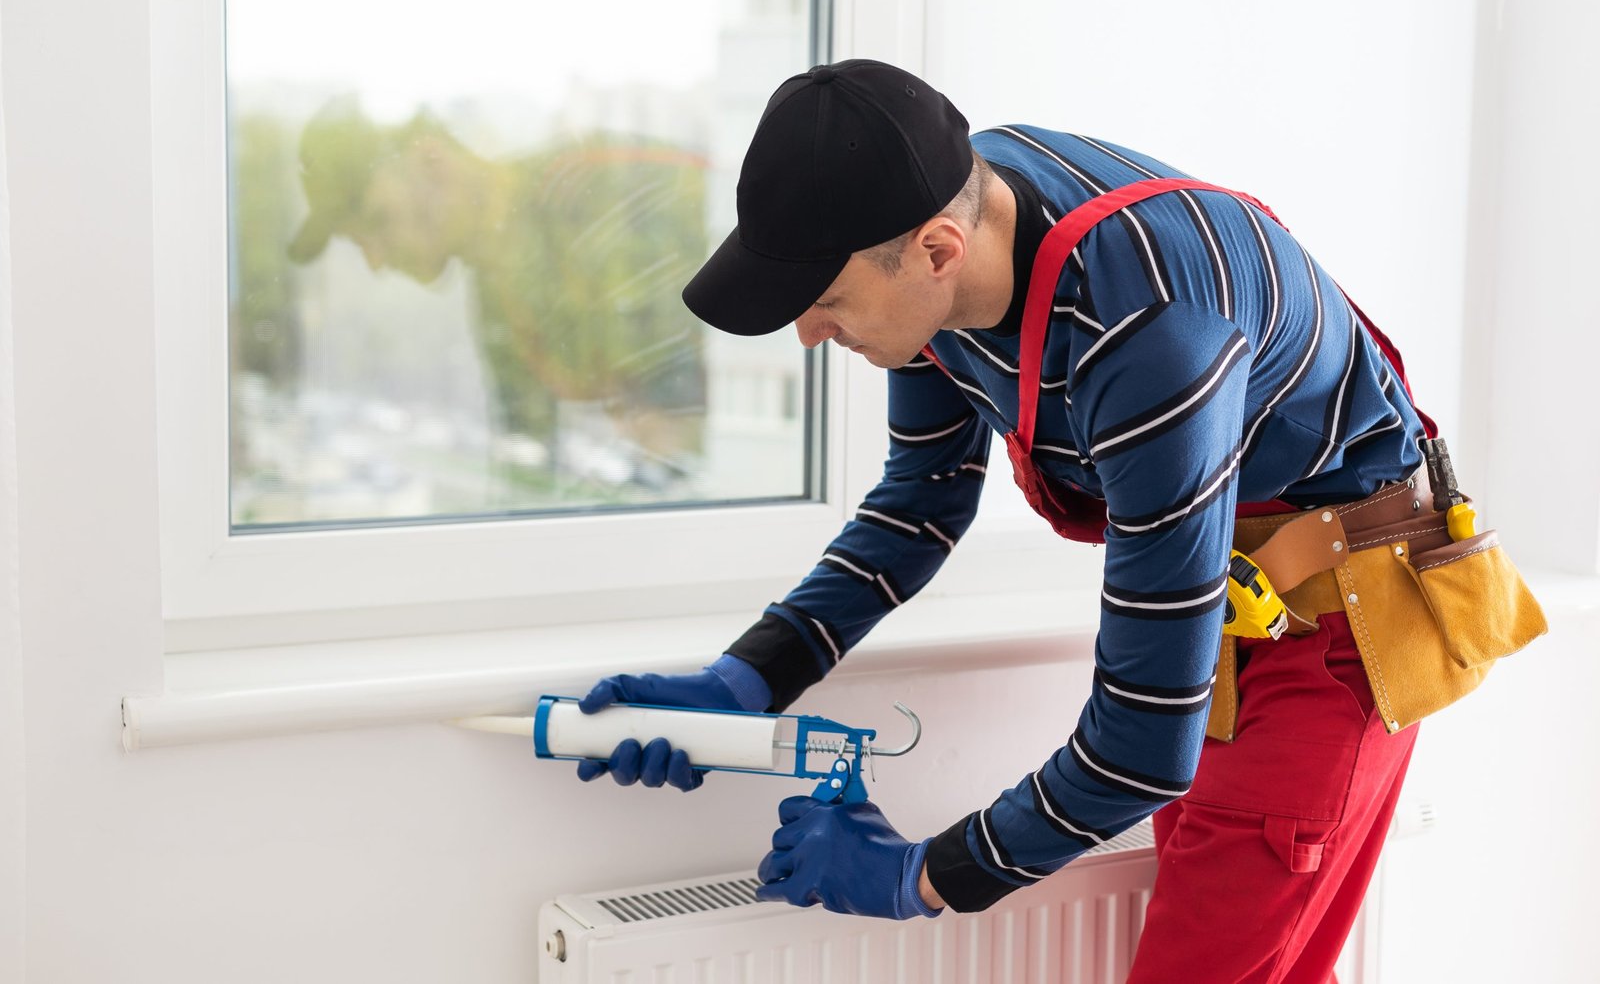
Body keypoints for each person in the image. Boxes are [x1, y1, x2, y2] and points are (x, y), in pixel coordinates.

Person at [572, 58, 1482, 982]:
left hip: (1335, 626)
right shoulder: (945, 220)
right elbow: (922, 496)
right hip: (1237, 610)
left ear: (936, 250)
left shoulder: (1152, 334)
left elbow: (1138, 750)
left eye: (827, 299)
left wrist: (921, 876)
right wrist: (746, 682)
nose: (808, 332)